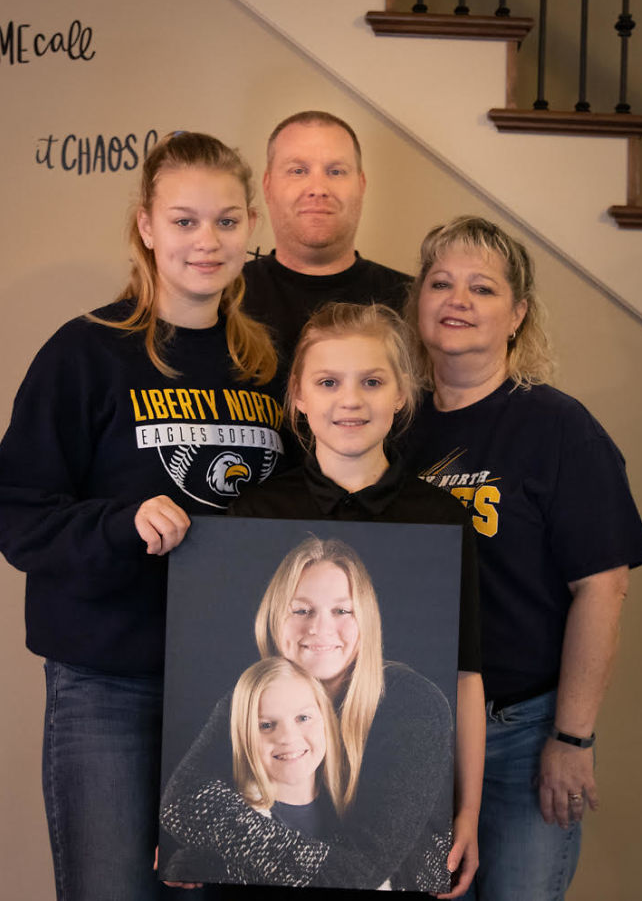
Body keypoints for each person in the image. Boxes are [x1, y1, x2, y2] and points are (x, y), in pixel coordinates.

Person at [0, 131, 286, 901]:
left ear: (250, 225)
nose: (205, 242)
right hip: (108, 685)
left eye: (224, 221)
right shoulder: (85, 353)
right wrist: (121, 524)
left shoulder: (270, 365)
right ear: (146, 226)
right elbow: (18, 512)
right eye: (183, 221)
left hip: (240, 690)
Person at [161, 302, 485, 897]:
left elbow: (466, 676)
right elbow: (181, 804)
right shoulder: (255, 512)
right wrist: (191, 845)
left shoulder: (439, 521)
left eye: (372, 381)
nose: (350, 401)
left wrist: (466, 814)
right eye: (329, 382)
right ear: (299, 397)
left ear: (402, 395)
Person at [401, 215, 642, 901]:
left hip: (522, 735)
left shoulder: (558, 428)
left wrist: (572, 739)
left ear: (516, 314)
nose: (458, 300)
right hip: (412, 734)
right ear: (417, 301)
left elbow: (602, 589)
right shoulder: (390, 425)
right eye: (441, 283)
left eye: (482, 289)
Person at [161, 537, 457, 894]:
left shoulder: (415, 705)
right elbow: (182, 803)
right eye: (301, 610)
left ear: (366, 619)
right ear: (274, 618)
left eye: (342, 611)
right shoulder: (253, 695)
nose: (318, 628)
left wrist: (217, 857)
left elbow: (359, 875)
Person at [242, 110, 411, 359]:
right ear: (267, 185)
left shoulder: (414, 304)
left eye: (336, 171)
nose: (318, 189)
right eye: (298, 171)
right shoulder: (224, 298)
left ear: (361, 185)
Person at [164, 657, 344, 884]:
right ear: (244, 736)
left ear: (326, 720)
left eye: (303, 718)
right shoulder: (221, 833)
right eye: (266, 725)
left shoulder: (356, 813)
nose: (288, 737)